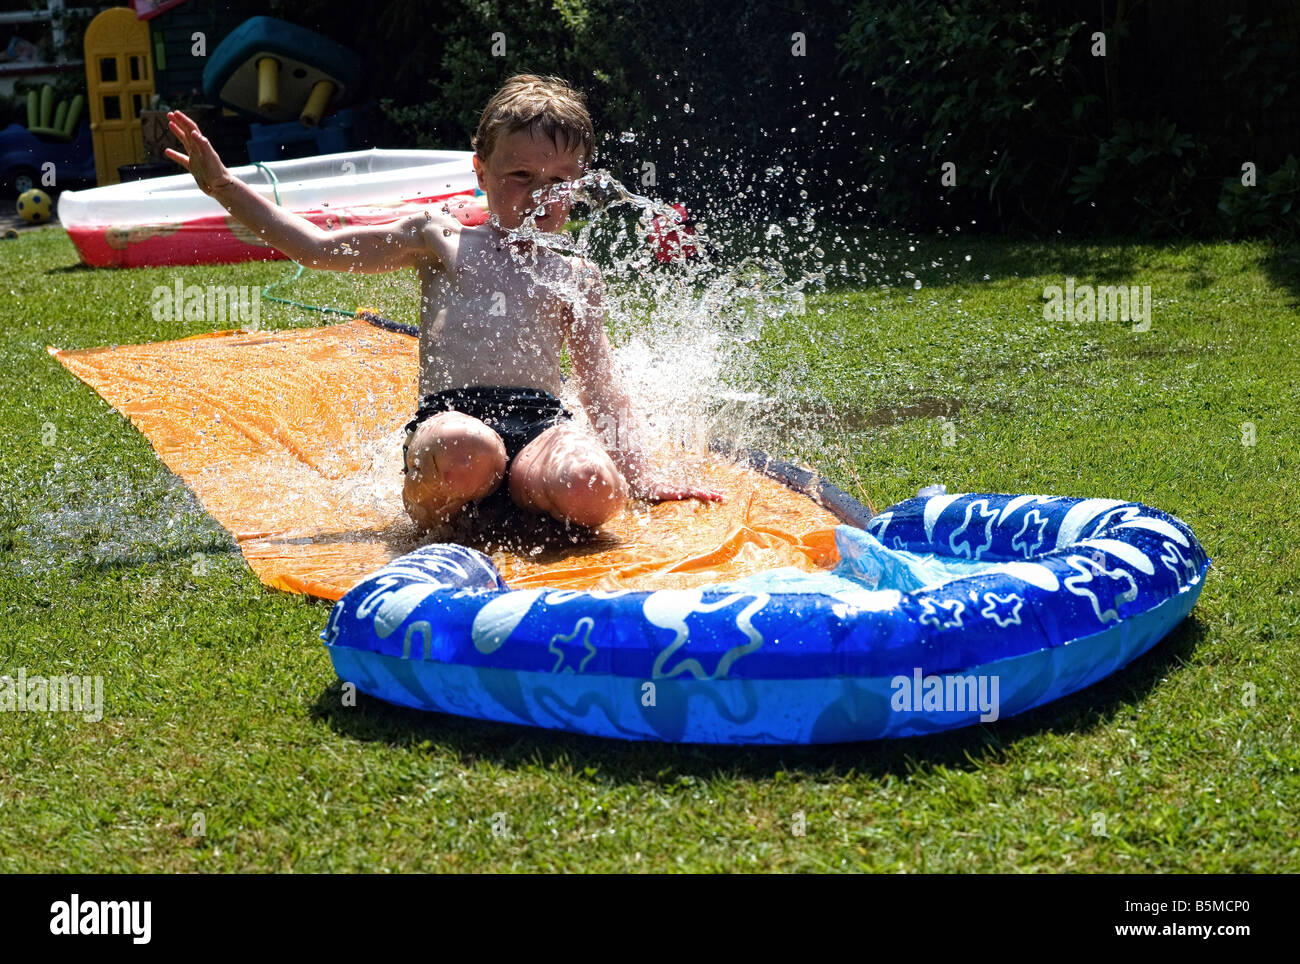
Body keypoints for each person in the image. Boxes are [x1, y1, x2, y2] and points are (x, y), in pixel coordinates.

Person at [165, 74, 722, 531]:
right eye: (520, 176)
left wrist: (642, 477)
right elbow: (317, 247)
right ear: (480, 171)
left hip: (542, 426)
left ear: (580, 184)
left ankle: (519, 497)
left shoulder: (574, 272)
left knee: (593, 487)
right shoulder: (442, 239)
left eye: (559, 180)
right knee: (465, 449)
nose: (538, 196)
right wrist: (223, 187)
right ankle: (450, 504)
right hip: (454, 419)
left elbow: (600, 383)